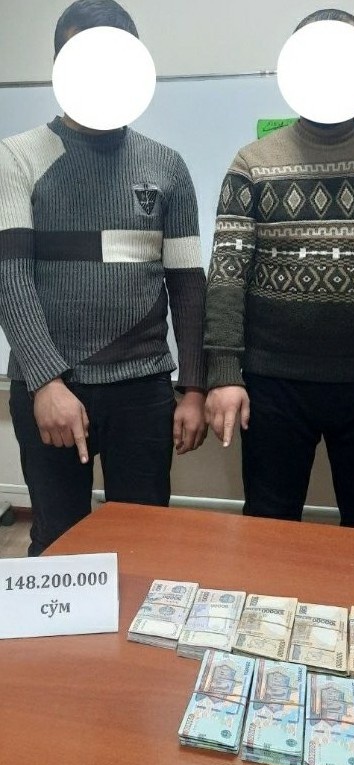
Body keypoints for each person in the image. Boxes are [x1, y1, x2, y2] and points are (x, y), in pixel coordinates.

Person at [204, 9, 354, 533]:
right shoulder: (252, 163)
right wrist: (223, 373)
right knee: (269, 527)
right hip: (273, 383)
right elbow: (228, 275)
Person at [0, 0, 208, 556]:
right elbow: (9, 277)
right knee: (57, 543)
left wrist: (193, 387)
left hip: (143, 388)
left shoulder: (166, 165)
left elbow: (188, 284)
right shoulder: (16, 158)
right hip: (51, 388)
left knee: (142, 543)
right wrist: (46, 382)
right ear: (59, 66)